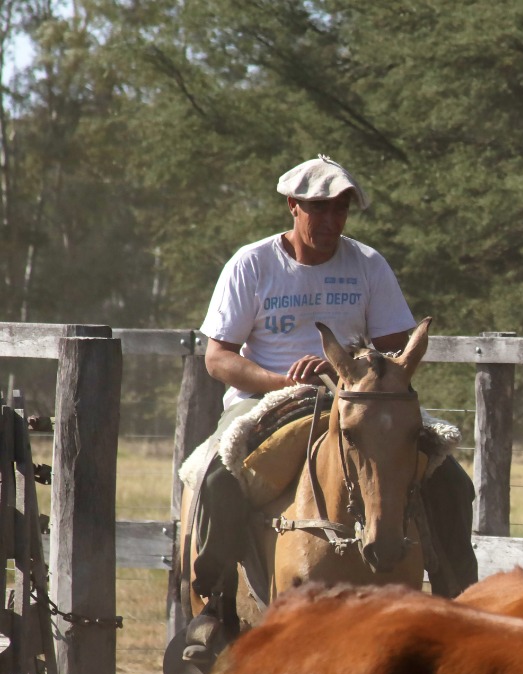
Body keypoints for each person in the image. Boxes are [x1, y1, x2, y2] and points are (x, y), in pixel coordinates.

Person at [189, 155, 478, 639]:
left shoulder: (366, 264)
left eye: (339, 210)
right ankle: (214, 612)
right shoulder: (253, 264)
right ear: (292, 206)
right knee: (220, 475)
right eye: (318, 209)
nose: (329, 221)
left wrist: (348, 364)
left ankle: (458, 602)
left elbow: (396, 345)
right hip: (270, 399)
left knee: (450, 480)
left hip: (360, 399)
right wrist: (279, 379)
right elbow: (218, 357)